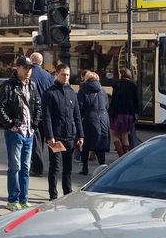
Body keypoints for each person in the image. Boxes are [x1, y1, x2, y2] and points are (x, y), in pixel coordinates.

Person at [0, 56, 41, 211]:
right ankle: (13, 199)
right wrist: (11, 123)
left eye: (30, 68)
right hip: (15, 133)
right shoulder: (8, 86)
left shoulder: (32, 85)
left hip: (28, 133)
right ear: (17, 68)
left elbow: (38, 105)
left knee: (26, 167)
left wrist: (34, 124)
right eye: (25, 68)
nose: (28, 71)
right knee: (15, 166)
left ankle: (23, 198)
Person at [42, 63, 84, 201]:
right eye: (63, 74)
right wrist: (50, 136)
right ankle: (53, 195)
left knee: (68, 168)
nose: (66, 77)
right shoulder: (49, 93)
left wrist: (80, 135)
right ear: (57, 74)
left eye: (68, 74)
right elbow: (46, 117)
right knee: (55, 168)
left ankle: (67, 193)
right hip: (56, 137)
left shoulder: (72, 92)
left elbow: (77, 115)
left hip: (70, 136)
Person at [77, 69, 110, 174]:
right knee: (100, 144)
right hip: (103, 118)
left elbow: (79, 106)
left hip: (88, 119)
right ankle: (102, 166)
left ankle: (85, 168)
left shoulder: (83, 90)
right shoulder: (102, 91)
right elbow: (106, 105)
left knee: (85, 144)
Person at [28, 52, 54, 177]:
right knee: (49, 139)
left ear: (31, 60)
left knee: (37, 142)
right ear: (41, 62)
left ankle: (37, 168)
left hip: (34, 112)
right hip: (47, 112)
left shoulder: (29, 73)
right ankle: (54, 165)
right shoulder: (48, 75)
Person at [108, 67, 138, 156]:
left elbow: (114, 101)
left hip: (119, 114)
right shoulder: (133, 86)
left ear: (120, 75)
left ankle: (120, 154)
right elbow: (136, 102)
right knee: (125, 135)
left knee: (114, 134)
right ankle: (125, 155)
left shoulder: (117, 85)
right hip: (129, 115)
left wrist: (111, 114)